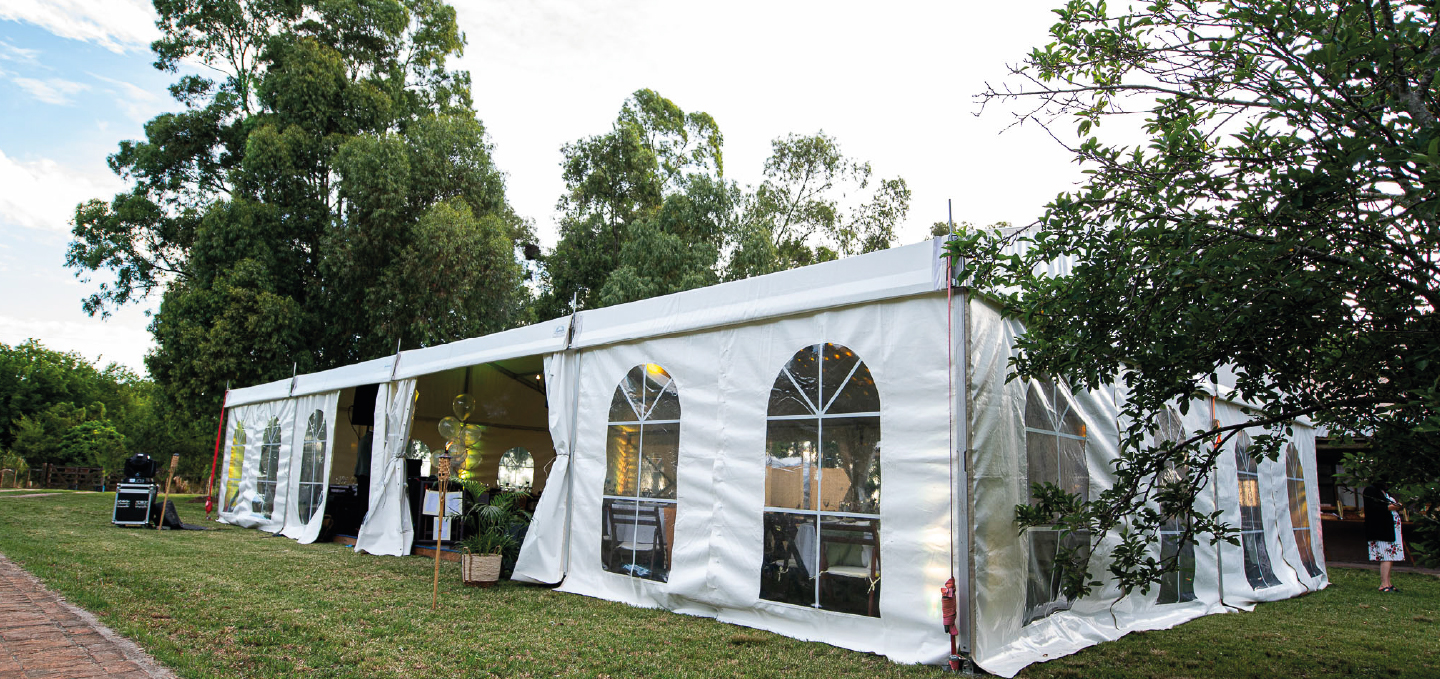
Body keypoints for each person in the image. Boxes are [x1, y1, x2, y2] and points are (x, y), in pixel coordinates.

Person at [1363, 482, 1405, 592]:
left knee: (1390, 556)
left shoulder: (1385, 492)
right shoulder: (1371, 490)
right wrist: (1390, 507)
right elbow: (1373, 507)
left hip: (1392, 527)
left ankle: (1388, 582)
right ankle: (1384, 583)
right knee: (1386, 555)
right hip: (1382, 528)